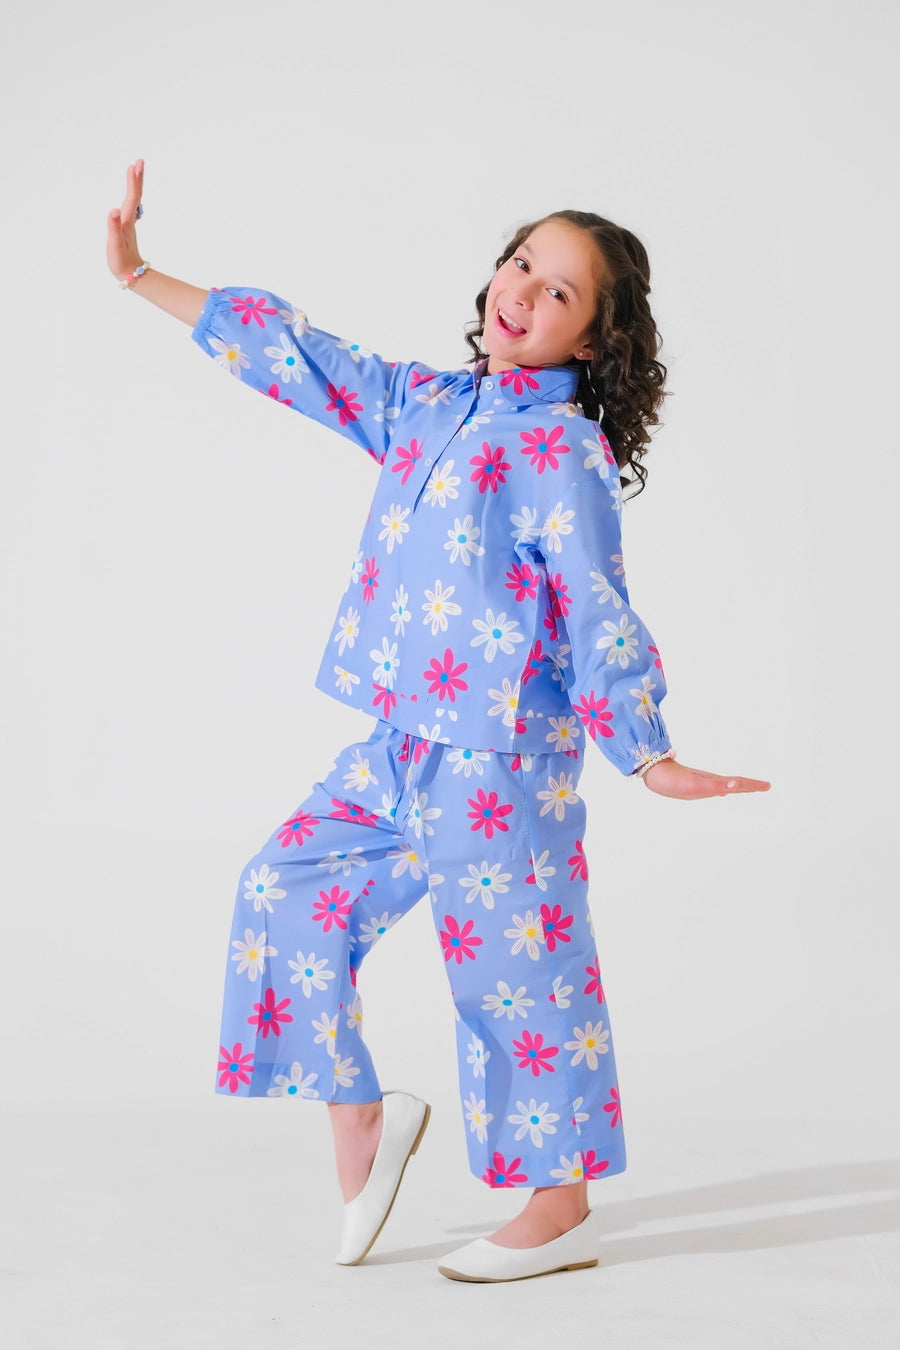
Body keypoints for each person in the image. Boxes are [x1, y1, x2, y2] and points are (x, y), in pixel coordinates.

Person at [107, 158, 771, 1283]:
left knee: (519, 981)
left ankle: (560, 1207)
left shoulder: (565, 452)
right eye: (521, 263)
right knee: (281, 895)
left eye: (559, 291)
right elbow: (299, 355)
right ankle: (362, 1116)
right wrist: (138, 274)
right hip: (399, 742)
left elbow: (594, 603)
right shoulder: (425, 402)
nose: (523, 291)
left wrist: (645, 749)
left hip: (504, 764)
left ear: (593, 339)